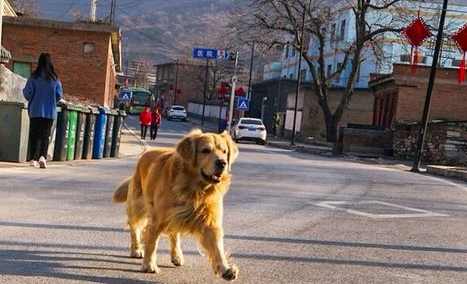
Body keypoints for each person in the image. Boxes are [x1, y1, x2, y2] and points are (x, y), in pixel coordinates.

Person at [23, 53, 63, 169]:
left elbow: (27, 93)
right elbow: (59, 95)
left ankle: (33, 159)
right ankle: (42, 157)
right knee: (45, 135)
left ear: (39, 63)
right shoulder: (55, 79)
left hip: (35, 110)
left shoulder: (33, 78)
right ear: (50, 64)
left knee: (34, 134)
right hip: (49, 112)